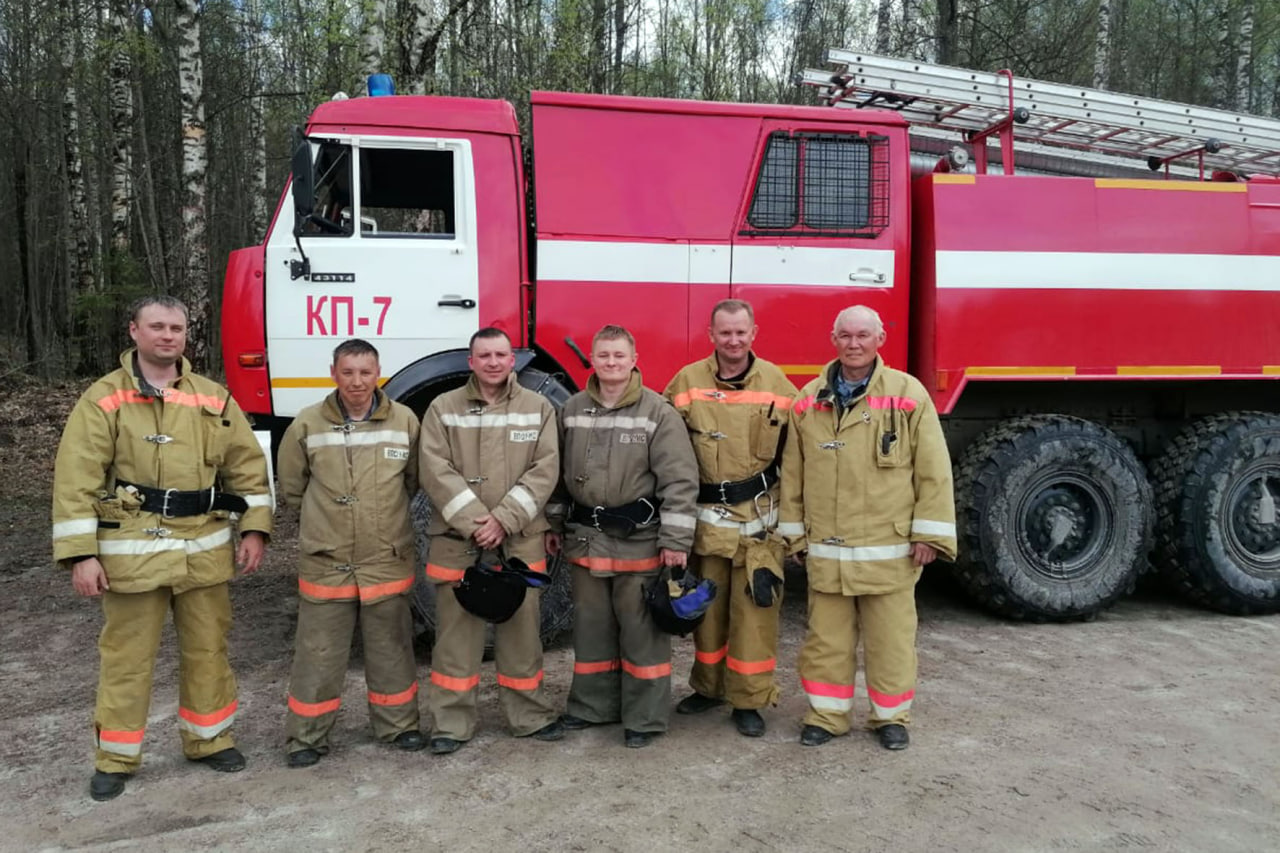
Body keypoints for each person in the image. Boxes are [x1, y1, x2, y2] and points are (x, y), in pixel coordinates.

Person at [51, 296, 273, 802]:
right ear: (134, 331)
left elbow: (247, 469)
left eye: (176, 327)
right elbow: (76, 479)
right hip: (132, 556)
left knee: (209, 650)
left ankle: (210, 739)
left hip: (203, 550)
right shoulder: (104, 399)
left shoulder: (213, 397)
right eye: (157, 326)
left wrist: (255, 528)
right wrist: (81, 554)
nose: (167, 336)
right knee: (126, 659)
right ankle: (115, 758)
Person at [779, 305, 957, 750]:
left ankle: (890, 718)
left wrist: (929, 535)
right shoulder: (809, 400)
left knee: (891, 641)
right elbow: (793, 474)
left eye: (862, 335)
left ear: (881, 339)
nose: (853, 344)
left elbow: (934, 470)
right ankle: (827, 716)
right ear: (833, 339)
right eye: (845, 335)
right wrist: (793, 535)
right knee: (826, 642)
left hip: (889, 551)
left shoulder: (908, 394)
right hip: (827, 552)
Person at [547, 325, 699, 748]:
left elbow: (679, 481)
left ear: (634, 360)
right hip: (586, 541)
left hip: (639, 542)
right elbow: (557, 476)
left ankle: (644, 718)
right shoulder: (572, 409)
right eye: (603, 355)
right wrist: (554, 524)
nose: (611, 363)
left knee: (641, 635)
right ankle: (592, 708)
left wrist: (676, 541)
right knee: (591, 632)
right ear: (592, 360)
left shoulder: (658, 412)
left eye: (619, 355)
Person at [277, 339, 425, 767]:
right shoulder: (307, 423)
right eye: (348, 372)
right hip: (327, 558)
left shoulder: (405, 420)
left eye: (365, 372)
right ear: (333, 374)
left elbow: (413, 480)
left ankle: (398, 725)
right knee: (318, 653)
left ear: (378, 373)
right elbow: (293, 488)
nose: (357, 382)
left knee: (392, 647)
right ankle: (306, 737)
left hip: (386, 556)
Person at [418, 327, 564, 754]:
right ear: (471, 361)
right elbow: (434, 470)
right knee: (455, 638)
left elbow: (545, 470)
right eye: (485, 356)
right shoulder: (443, 408)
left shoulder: (538, 408)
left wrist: (503, 519)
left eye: (501, 354)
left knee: (522, 635)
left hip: (519, 540)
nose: (494, 362)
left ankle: (529, 716)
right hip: (457, 541)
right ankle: (450, 725)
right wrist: (474, 522)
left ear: (512, 360)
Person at [663, 299, 796, 737]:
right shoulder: (686, 382)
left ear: (753, 333)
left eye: (741, 332)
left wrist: (794, 525)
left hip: (760, 525)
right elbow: (664, 450)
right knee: (708, 614)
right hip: (707, 524)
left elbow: (797, 457)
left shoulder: (778, 384)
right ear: (711, 335)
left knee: (755, 618)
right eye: (725, 332)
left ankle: (749, 699)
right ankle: (709, 688)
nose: (733, 340)